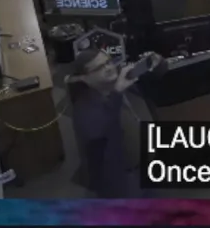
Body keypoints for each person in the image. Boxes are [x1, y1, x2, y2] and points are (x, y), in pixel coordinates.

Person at [67, 48, 165, 198]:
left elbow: (158, 76)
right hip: (122, 177)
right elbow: (100, 129)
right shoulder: (84, 107)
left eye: (108, 62)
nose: (109, 68)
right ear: (84, 78)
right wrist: (117, 93)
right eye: (99, 68)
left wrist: (158, 63)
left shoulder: (122, 78)